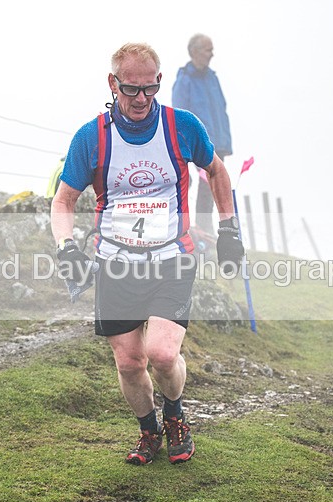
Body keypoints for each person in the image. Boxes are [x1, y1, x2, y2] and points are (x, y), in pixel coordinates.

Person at [51, 43, 243, 465]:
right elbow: (63, 201)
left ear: (159, 83)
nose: (140, 99)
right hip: (115, 264)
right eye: (131, 90)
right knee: (129, 363)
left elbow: (216, 170)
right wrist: (66, 249)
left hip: (172, 258)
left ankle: (175, 415)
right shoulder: (92, 136)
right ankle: (148, 431)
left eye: (149, 89)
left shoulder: (182, 127)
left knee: (161, 353)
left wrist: (229, 229)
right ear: (112, 84)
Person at [171, 33, 232, 232]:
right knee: (200, 185)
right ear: (194, 52)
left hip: (217, 142)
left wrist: (225, 143)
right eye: (208, 50)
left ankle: (209, 229)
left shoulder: (212, 78)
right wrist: (184, 144)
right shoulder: (184, 80)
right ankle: (197, 229)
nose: (211, 54)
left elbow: (221, 109)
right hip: (197, 143)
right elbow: (179, 114)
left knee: (215, 186)